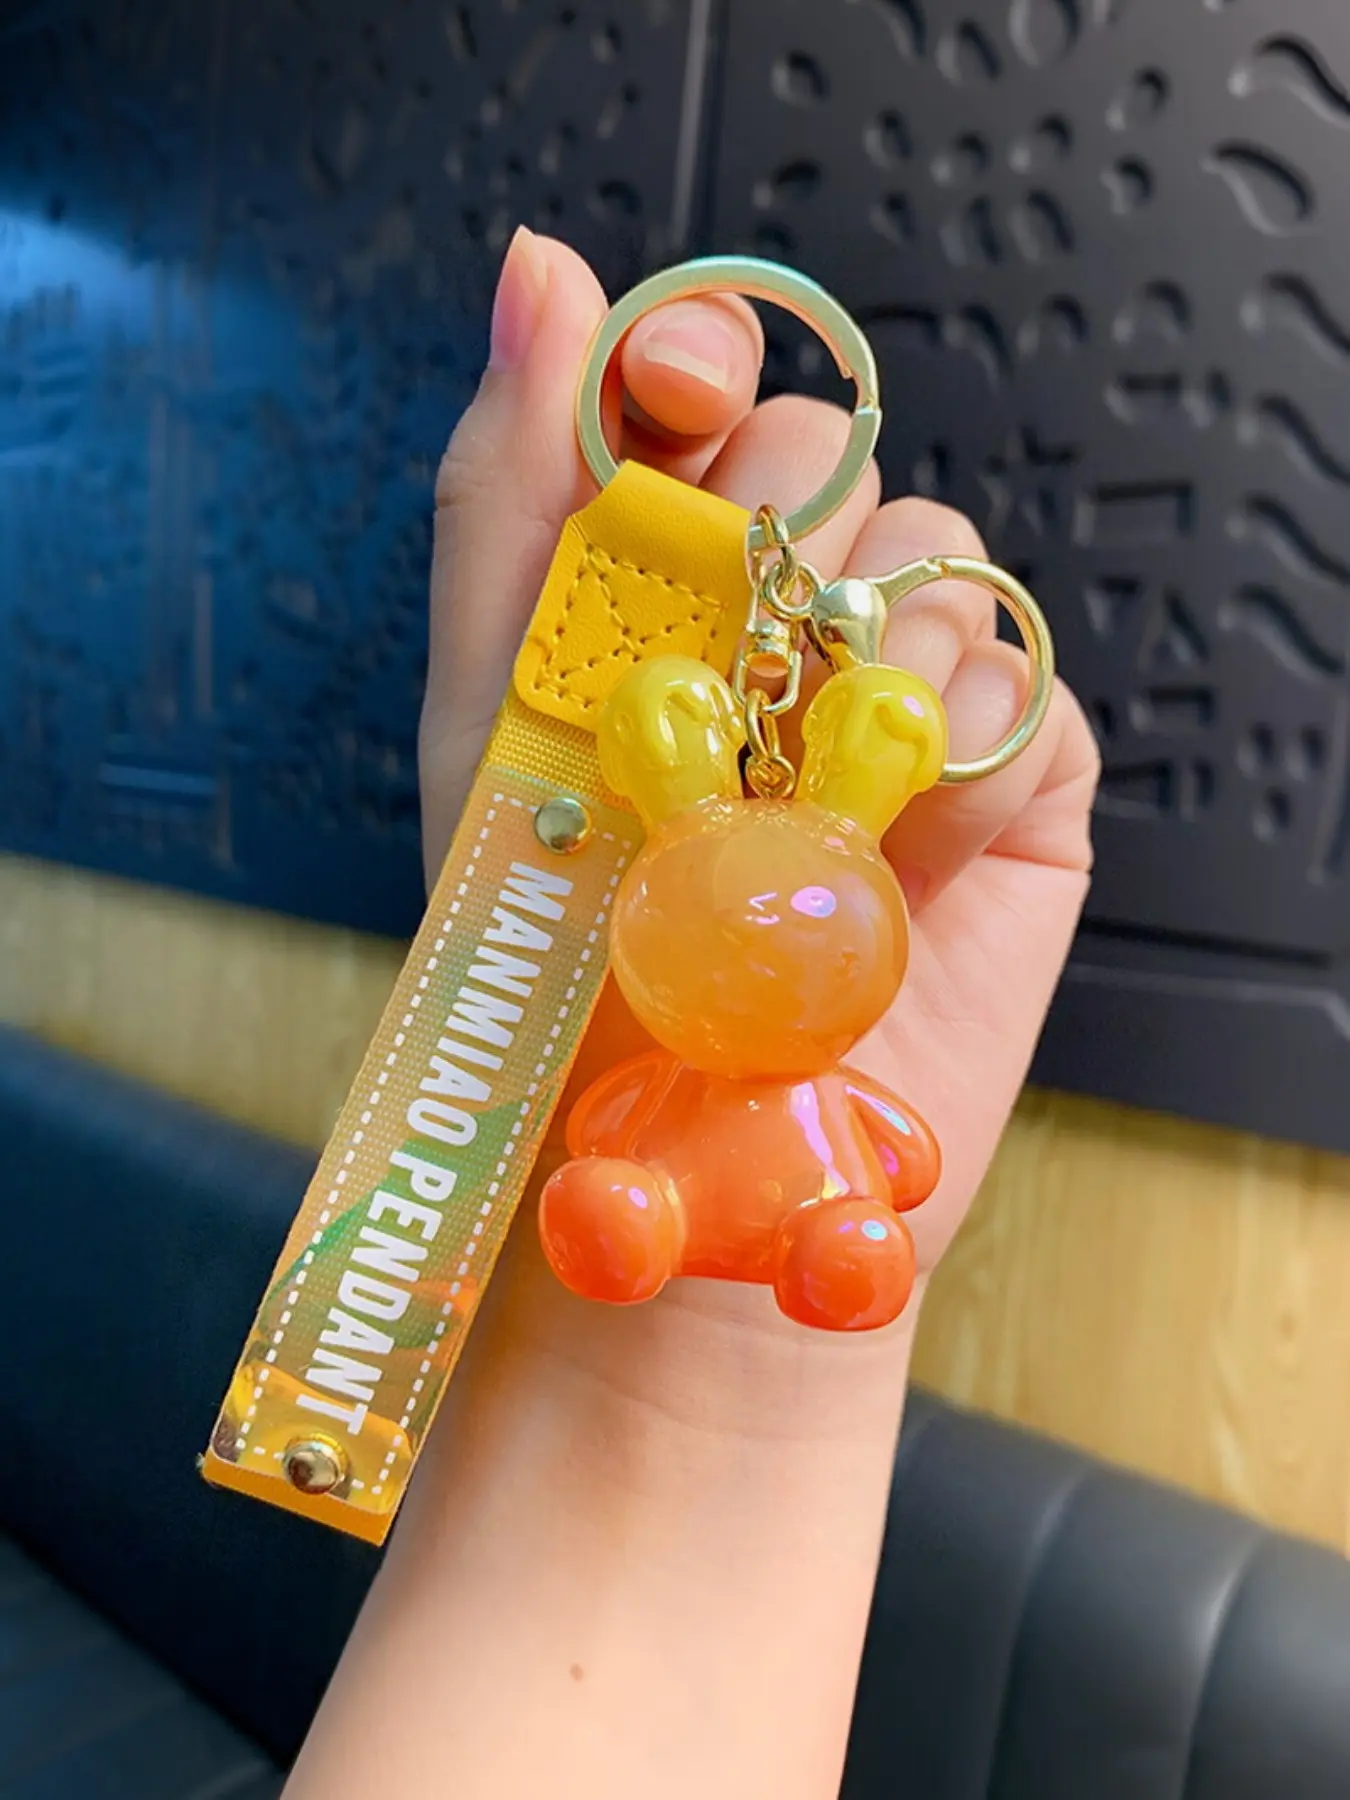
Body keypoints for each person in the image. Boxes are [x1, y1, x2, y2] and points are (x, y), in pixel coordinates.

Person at [285, 227, 1099, 1799]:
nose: (772, 958)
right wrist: (626, 1361)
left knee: (775, 1209)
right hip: (649, 1204)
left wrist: (737, 1401)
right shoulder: (656, 939)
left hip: (799, 1235)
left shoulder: (823, 1030)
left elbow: (888, 1150)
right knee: (632, 1188)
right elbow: (635, 1121)